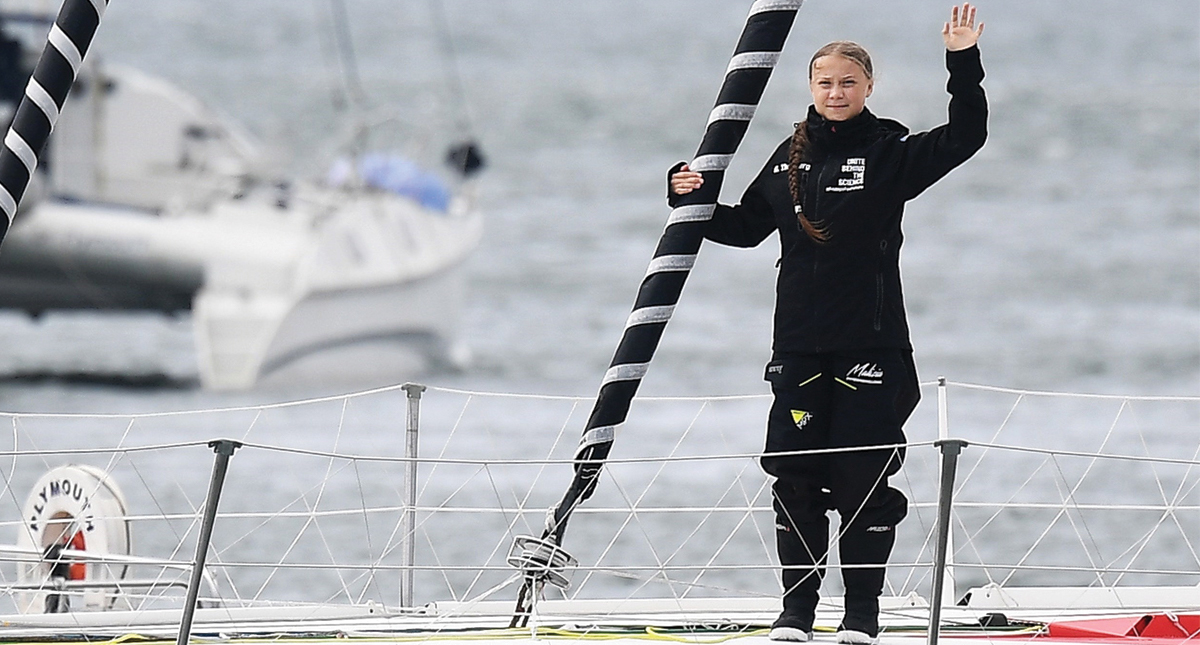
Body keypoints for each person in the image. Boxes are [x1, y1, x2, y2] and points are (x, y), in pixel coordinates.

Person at [668, 5, 986, 644]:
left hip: (872, 347)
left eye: (847, 83)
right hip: (798, 350)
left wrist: (962, 60)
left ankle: (861, 620)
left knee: (861, 481)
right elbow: (741, 229)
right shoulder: (791, 156)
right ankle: (796, 615)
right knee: (795, 481)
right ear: (810, 88)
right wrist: (686, 194)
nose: (835, 93)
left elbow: (965, 136)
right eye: (824, 83)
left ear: (869, 86)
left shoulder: (890, 150)